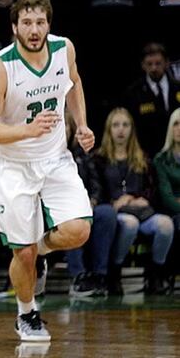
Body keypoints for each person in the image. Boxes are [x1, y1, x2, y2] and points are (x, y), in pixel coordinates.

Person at [0, 0, 94, 342]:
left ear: (48, 25)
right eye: (26, 23)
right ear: (14, 27)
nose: (34, 29)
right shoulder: (0, 67)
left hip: (54, 157)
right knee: (20, 251)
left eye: (40, 22)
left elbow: (74, 82)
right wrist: (28, 130)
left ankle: (40, 250)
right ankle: (27, 314)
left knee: (78, 230)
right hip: (12, 163)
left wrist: (82, 124)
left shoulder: (64, 49)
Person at [94, 108, 174, 295]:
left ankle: (155, 275)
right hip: (117, 212)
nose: (121, 130)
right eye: (116, 125)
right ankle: (115, 272)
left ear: (132, 129)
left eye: (125, 125)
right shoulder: (99, 159)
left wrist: (143, 199)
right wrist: (114, 202)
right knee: (129, 224)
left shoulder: (142, 157)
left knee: (166, 224)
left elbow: (152, 189)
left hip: (141, 211)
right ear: (109, 129)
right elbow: (96, 189)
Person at [63, 113, 117, 298]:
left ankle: (100, 274)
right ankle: (79, 277)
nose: (64, 131)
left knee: (107, 213)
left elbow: (96, 186)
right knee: (71, 217)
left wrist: (92, 202)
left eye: (67, 127)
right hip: (59, 210)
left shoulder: (82, 155)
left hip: (84, 205)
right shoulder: (44, 156)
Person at [123, 43, 180, 157]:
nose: (154, 68)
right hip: (147, 154)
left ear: (167, 63)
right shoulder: (134, 93)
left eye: (158, 63)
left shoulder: (177, 88)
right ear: (143, 65)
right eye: (149, 64)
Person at [153, 107, 180, 280]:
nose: (179, 129)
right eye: (176, 124)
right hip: (171, 212)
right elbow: (167, 197)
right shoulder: (161, 159)